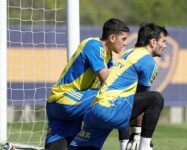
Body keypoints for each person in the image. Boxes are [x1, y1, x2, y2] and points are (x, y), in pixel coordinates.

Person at [70, 22, 168, 150]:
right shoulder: (148, 61)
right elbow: (139, 100)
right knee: (156, 98)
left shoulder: (130, 53)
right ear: (153, 42)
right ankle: (145, 147)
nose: (164, 46)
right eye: (163, 41)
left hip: (95, 110)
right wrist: (136, 134)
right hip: (111, 109)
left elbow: (130, 101)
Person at [45, 18, 130, 150]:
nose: (125, 43)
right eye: (123, 39)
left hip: (59, 105)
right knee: (116, 101)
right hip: (67, 99)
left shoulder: (108, 56)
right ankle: (126, 142)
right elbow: (108, 82)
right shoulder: (94, 45)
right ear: (112, 37)